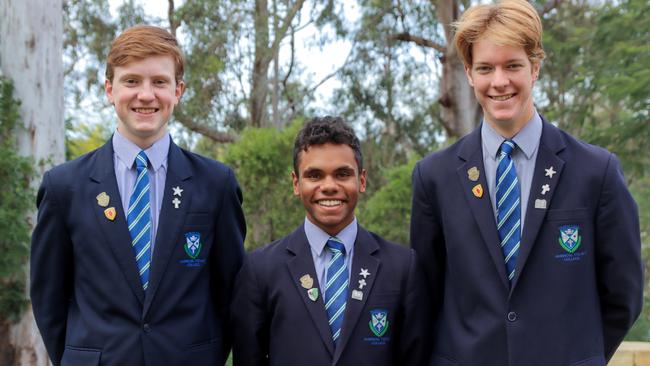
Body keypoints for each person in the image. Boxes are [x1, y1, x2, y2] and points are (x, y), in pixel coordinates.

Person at [410, 1, 643, 365]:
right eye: (485, 68)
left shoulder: (597, 172)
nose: (499, 81)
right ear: (469, 73)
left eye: (512, 65)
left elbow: (624, 295)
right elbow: (425, 296)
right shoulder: (434, 178)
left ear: (534, 67)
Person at [30, 25, 246, 366]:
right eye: (131, 81)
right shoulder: (64, 187)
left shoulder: (216, 184)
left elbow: (231, 293)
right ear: (109, 90)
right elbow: (48, 297)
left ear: (178, 91)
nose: (146, 95)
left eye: (159, 82)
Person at [231, 116, 431, 365]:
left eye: (342, 174)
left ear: (362, 180)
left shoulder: (402, 267)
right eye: (314, 176)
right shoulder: (260, 269)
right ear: (296, 183)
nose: (329, 186)